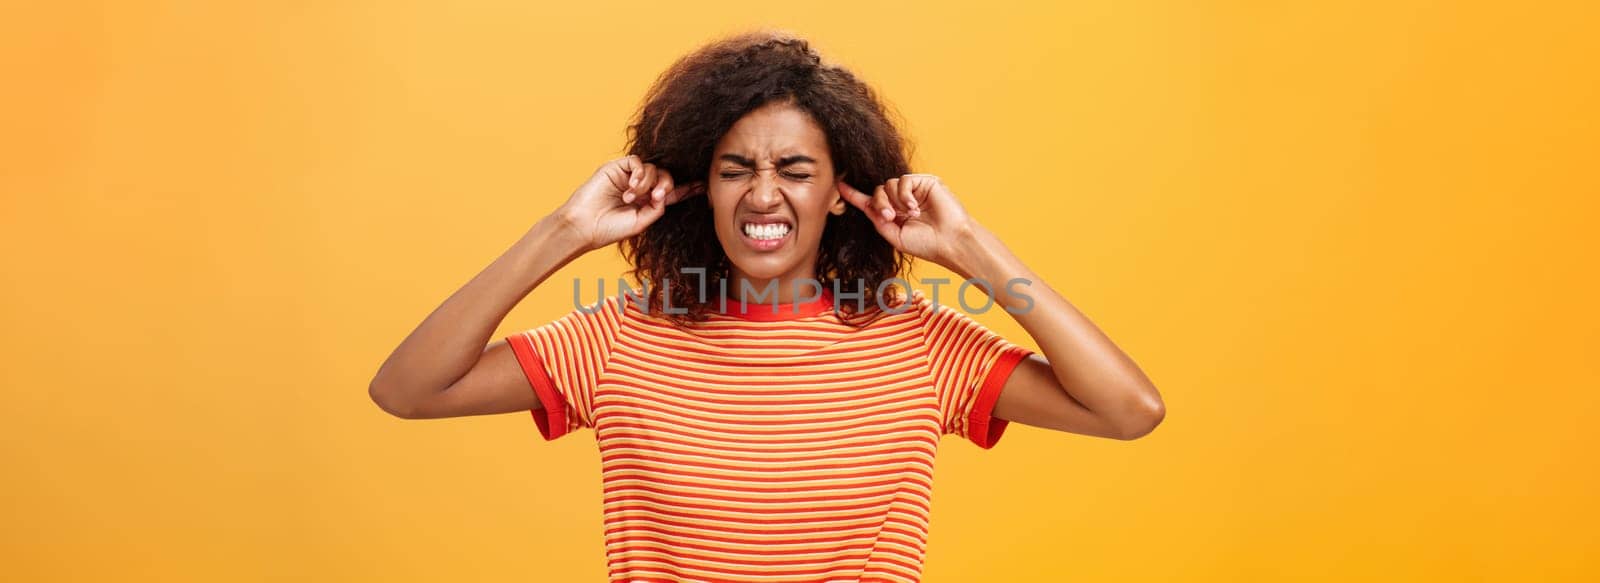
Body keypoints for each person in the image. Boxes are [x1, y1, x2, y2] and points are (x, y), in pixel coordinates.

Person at [369, 30, 1165, 583]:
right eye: (734, 168)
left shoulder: (919, 345)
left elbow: (1128, 408)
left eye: (793, 167)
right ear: (699, 188)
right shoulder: (618, 337)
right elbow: (407, 389)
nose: (762, 193)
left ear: (839, 190)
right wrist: (565, 231)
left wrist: (971, 249)